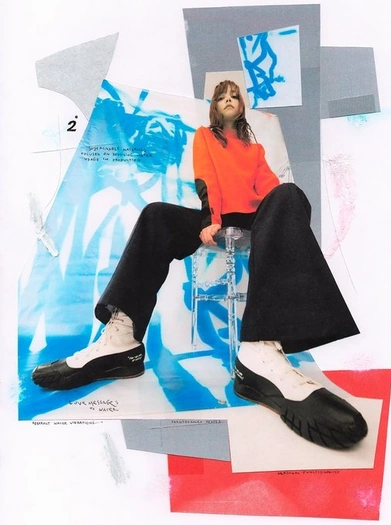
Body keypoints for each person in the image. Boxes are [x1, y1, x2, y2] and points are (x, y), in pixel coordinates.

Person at [32, 80, 368, 450]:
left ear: (241, 106)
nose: (229, 100)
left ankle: (259, 350)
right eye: (223, 97)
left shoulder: (255, 149)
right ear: (215, 106)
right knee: (157, 215)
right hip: (216, 217)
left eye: (234, 96)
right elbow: (206, 179)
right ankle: (121, 342)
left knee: (288, 194)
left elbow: (270, 187)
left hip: (256, 220)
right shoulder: (205, 138)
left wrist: (279, 214)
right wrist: (210, 220)